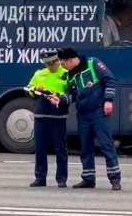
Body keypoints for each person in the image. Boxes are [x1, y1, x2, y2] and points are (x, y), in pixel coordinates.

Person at [50, 47, 121, 190]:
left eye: (63, 63)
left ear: (70, 60)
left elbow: (110, 80)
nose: (61, 66)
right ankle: (88, 178)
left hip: (99, 111)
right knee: (86, 148)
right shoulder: (71, 74)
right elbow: (71, 94)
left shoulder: (93, 63)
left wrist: (108, 100)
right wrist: (60, 100)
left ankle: (115, 179)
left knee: (106, 145)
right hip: (83, 114)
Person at [26, 50, 70, 188]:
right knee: (40, 149)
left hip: (58, 116)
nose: (50, 67)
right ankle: (40, 178)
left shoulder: (65, 73)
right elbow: (28, 90)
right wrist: (35, 89)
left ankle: (61, 179)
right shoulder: (39, 73)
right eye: (47, 64)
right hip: (41, 115)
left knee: (60, 149)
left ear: (57, 61)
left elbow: (70, 93)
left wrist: (58, 95)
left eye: (52, 64)